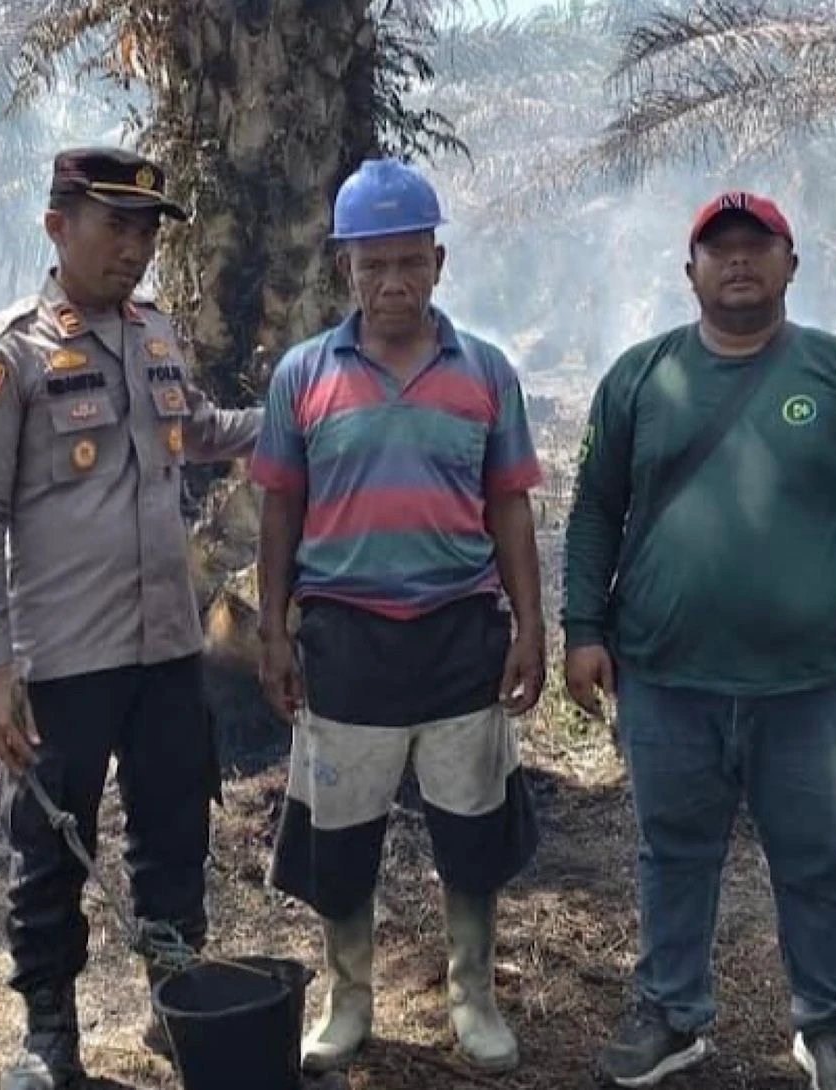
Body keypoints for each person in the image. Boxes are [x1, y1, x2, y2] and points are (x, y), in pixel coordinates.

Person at [562, 190, 836, 1090]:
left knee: (816, 860)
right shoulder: (639, 379)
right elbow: (592, 515)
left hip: (807, 685)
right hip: (665, 677)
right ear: (689, 270)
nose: (738, 260)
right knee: (672, 852)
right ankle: (672, 1015)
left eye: (757, 246)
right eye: (718, 248)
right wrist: (581, 630)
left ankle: (830, 1025)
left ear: (791, 265)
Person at [0, 146, 263, 1090]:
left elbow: (200, 428)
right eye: (114, 225)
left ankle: (175, 999)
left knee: (175, 828)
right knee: (50, 848)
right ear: (57, 225)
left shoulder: (150, 332)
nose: (135, 247)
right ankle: (49, 1033)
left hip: (168, 644)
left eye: (147, 230)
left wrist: (297, 414)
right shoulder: (6, 356)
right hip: (64, 659)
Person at [250, 157, 546, 1076]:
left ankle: (474, 996)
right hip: (345, 640)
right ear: (345, 267)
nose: (393, 283)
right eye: (373, 264)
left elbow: (508, 507)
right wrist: (272, 630)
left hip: (461, 635)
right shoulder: (304, 375)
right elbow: (279, 512)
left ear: (439, 262)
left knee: (471, 832)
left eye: (410, 261)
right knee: (341, 839)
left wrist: (532, 627)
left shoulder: (485, 374)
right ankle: (349, 1000)